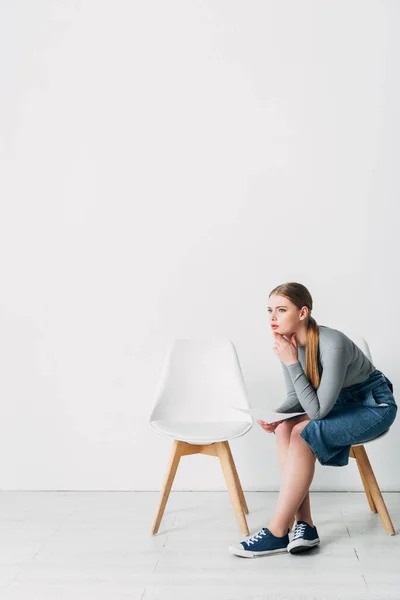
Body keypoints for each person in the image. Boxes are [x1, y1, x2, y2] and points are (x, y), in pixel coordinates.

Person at [229, 281, 397, 558]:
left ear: (303, 312)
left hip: (372, 405)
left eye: (281, 310)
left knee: (302, 434)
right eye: (269, 310)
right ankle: (304, 525)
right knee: (285, 428)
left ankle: (276, 531)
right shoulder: (288, 342)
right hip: (338, 403)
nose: (272, 317)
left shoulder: (333, 344)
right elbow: (296, 394)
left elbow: (318, 412)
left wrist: (292, 362)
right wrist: (278, 414)